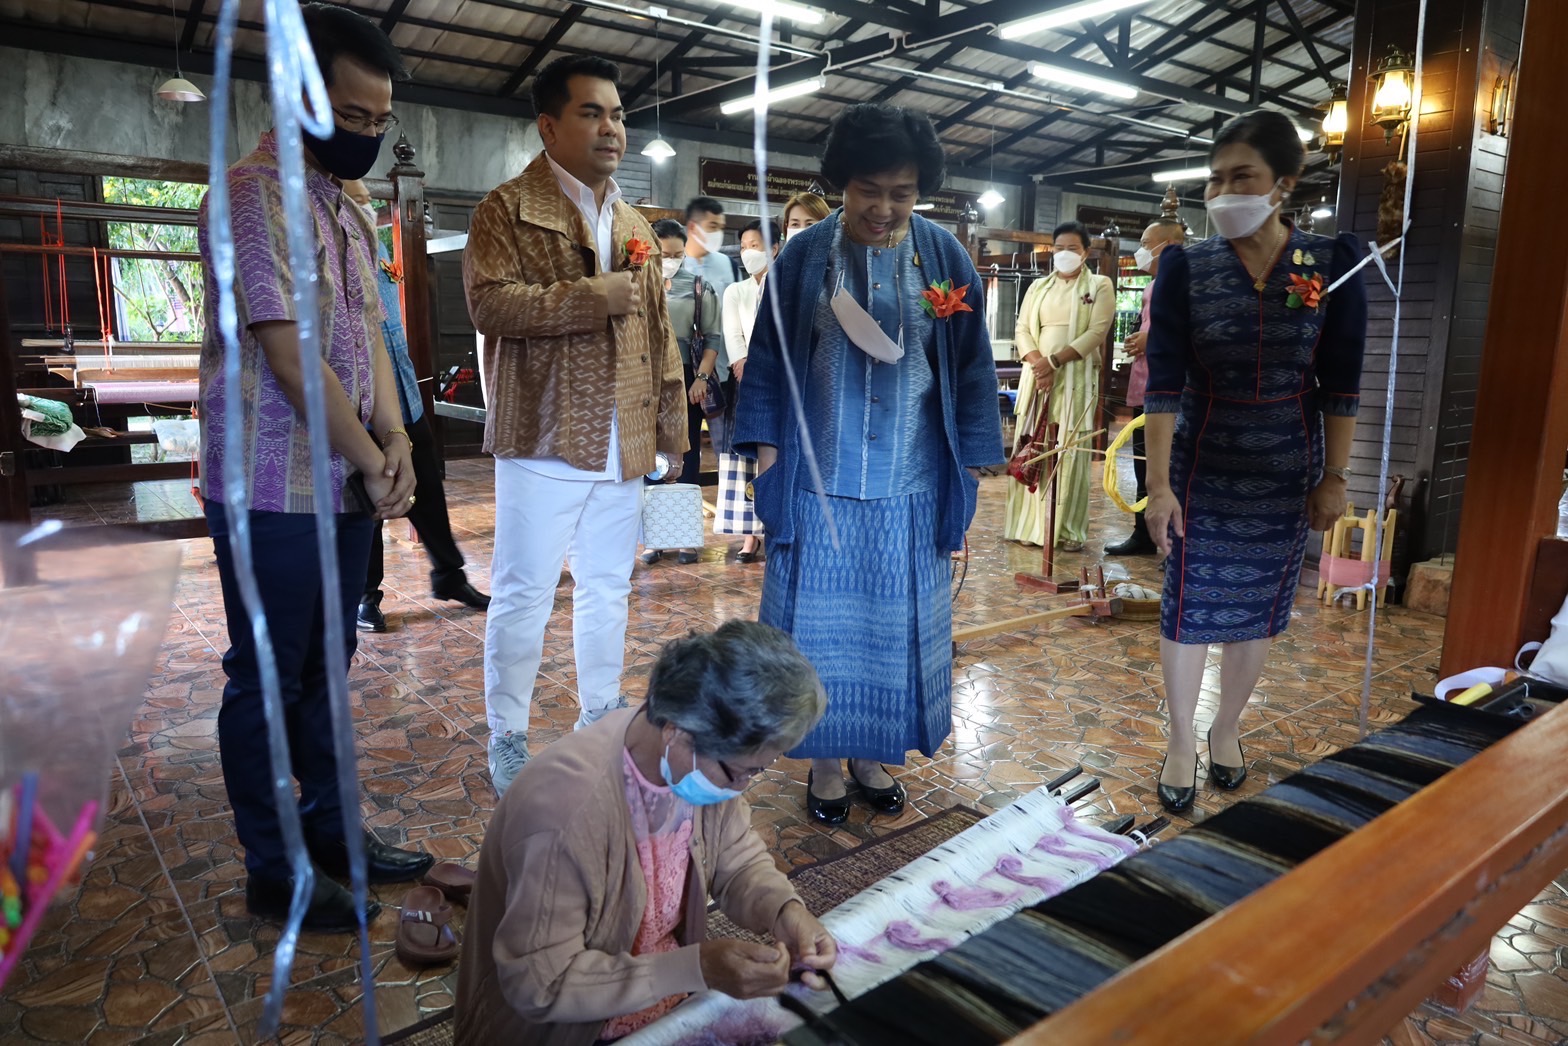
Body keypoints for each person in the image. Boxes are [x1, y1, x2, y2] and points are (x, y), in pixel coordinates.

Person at [196, 2, 432, 932]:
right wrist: (372, 455)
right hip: (270, 484)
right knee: (266, 675)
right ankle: (275, 866)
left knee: (325, 670)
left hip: (338, 477)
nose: (369, 136)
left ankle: (335, 833)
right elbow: (290, 355)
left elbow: (368, 329)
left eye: (381, 121)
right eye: (354, 117)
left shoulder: (349, 202)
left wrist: (398, 442)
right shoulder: (251, 196)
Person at [735, 103, 1003, 825]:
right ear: (840, 184)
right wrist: (767, 466)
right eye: (868, 189)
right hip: (817, 481)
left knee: (892, 632)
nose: (883, 208)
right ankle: (825, 761)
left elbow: (973, 371)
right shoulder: (802, 258)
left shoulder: (946, 258)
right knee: (820, 632)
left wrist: (968, 470)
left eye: (902, 193)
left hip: (910, 487)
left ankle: (870, 756)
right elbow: (767, 364)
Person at [464, 54, 688, 797]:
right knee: (524, 590)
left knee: (607, 586)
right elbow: (489, 305)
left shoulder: (633, 223)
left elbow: (658, 330)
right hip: (544, 434)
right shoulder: (506, 208)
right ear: (549, 125)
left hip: (623, 435)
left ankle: (601, 711)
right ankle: (507, 732)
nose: (611, 127)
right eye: (593, 112)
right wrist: (588, 298)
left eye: (618, 114)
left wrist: (669, 424)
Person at [454, 620, 836, 1045]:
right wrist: (696, 968)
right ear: (678, 733)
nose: (743, 787)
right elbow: (542, 984)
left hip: (659, 992)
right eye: (743, 772)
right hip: (564, 1028)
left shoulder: (696, 763)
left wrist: (786, 912)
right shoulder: (564, 814)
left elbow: (739, 860)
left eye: (756, 771)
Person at [1143, 109, 1367, 812]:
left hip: (1284, 473)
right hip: (1200, 470)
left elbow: (1344, 382)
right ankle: (1181, 738)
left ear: (1283, 186)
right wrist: (1156, 486)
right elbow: (1165, 382)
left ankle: (1226, 727)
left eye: (1241, 177)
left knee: (1255, 612)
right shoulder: (1187, 266)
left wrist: (1334, 477)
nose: (1222, 192)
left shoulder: (1332, 265)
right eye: (1214, 179)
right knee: (1187, 607)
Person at [339, 179, 491, 632]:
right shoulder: (334, 254)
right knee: (372, 496)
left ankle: (449, 574)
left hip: (403, 398)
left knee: (428, 486)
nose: (368, 210)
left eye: (369, 202)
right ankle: (366, 597)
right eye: (358, 201)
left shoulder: (378, 255)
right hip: (359, 404)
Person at [1003, 221, 1115, 552]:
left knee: (1067, 447)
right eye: (1059, 249)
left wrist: (1054, 362)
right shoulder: (1038, 287)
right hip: (1036, 378)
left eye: (1072, 249)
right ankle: (1028, 526)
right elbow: (1023, 328)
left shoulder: (1099, 285)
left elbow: (1097, 332)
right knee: (1031, 446)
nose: (1064, 254)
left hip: (1074, 375)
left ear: (1086, 253)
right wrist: (1039, 364)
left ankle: (1065, 530)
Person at [640, 218, 725, 566]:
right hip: (643, 374)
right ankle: (655, 540)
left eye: (677, 253)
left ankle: (687, 537)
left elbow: (712, 337)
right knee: (647, 454)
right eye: (663, 254)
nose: (670, 260)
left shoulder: (697, 286)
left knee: (685, 450)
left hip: (684, 376)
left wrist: (701, 378)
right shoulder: (636, 282)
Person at [1105, 218, 1186, 558]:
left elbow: (1187, 329)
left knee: (1172, 469)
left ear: (1166, 245)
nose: (1140, 250)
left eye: (1144, 242)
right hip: (1144, 387)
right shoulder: (1154, 282)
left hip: (1170, 393)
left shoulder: (1184, 279)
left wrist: (1149, 338)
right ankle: (1143, 533)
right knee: (1143, 464)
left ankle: (1173, 541)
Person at [717, 217, 780, 562]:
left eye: (754, 246)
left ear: (773, 248)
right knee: (744, 457)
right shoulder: (735, 291)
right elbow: (733, 335)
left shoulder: (784, 286)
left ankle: (774, 527)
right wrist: (742, 363)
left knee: (776, 455)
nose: (747, 253)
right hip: (747, 381)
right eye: (743, 247)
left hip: (781, 382)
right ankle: (748, 534)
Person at [683, 196, 736, 297]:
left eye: (721, 228)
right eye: (713, 226)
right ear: (693, 227)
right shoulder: (672, 264)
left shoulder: (729, 265)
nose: (718, 233)